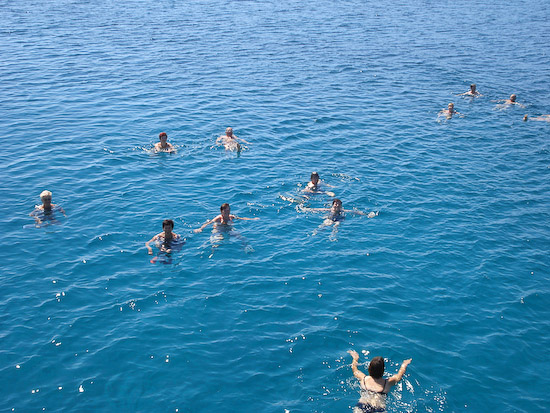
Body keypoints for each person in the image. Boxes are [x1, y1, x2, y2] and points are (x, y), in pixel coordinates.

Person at [348, 350, 412, 413]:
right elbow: (399, 376)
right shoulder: (387, 382)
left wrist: (355, 358)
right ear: (383, 371)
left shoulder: (364, 379)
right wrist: (404, 364)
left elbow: (354, 369)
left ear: (369, 369)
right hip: (379, 409)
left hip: (362, 407)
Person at [300, 198, 378, 239]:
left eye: (338, 204)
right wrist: (307, 209)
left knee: (336, 225)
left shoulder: (342, 210)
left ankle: (333, 235)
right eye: (335, 204)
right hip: (331, 218)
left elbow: (354, 212)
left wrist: (366, 214)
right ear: (333, 205)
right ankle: (316, 232)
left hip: (340, 218)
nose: (336, 206)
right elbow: (319, 209)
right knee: (325, 223)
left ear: (340, 205)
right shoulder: (329, 210)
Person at [194, 203, 259, 233]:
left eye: (229, 210)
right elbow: (208, 223)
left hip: (229, 229)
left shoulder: (231, 216)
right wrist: (200, 229)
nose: (227, 212)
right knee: (216, 242)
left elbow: (241, 218)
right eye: (226, 211)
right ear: (221, 212)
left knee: (241, 237)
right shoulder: (218, 218)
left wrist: (252, 219)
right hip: (219, 230)